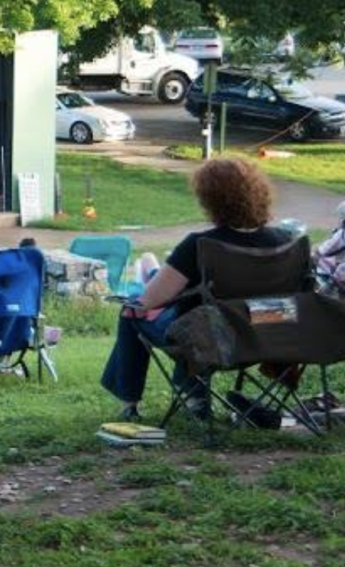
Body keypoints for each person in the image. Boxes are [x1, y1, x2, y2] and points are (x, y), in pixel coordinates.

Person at [102, 158, 291, 422]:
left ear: (210, 201)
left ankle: (131, 404)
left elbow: (148, 300)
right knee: (194, 313)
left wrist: (142, 303)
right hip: (268, 338)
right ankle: (192, 396)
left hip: (212, 342)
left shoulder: (200, 245)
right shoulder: (285, 241)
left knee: (132, 311)